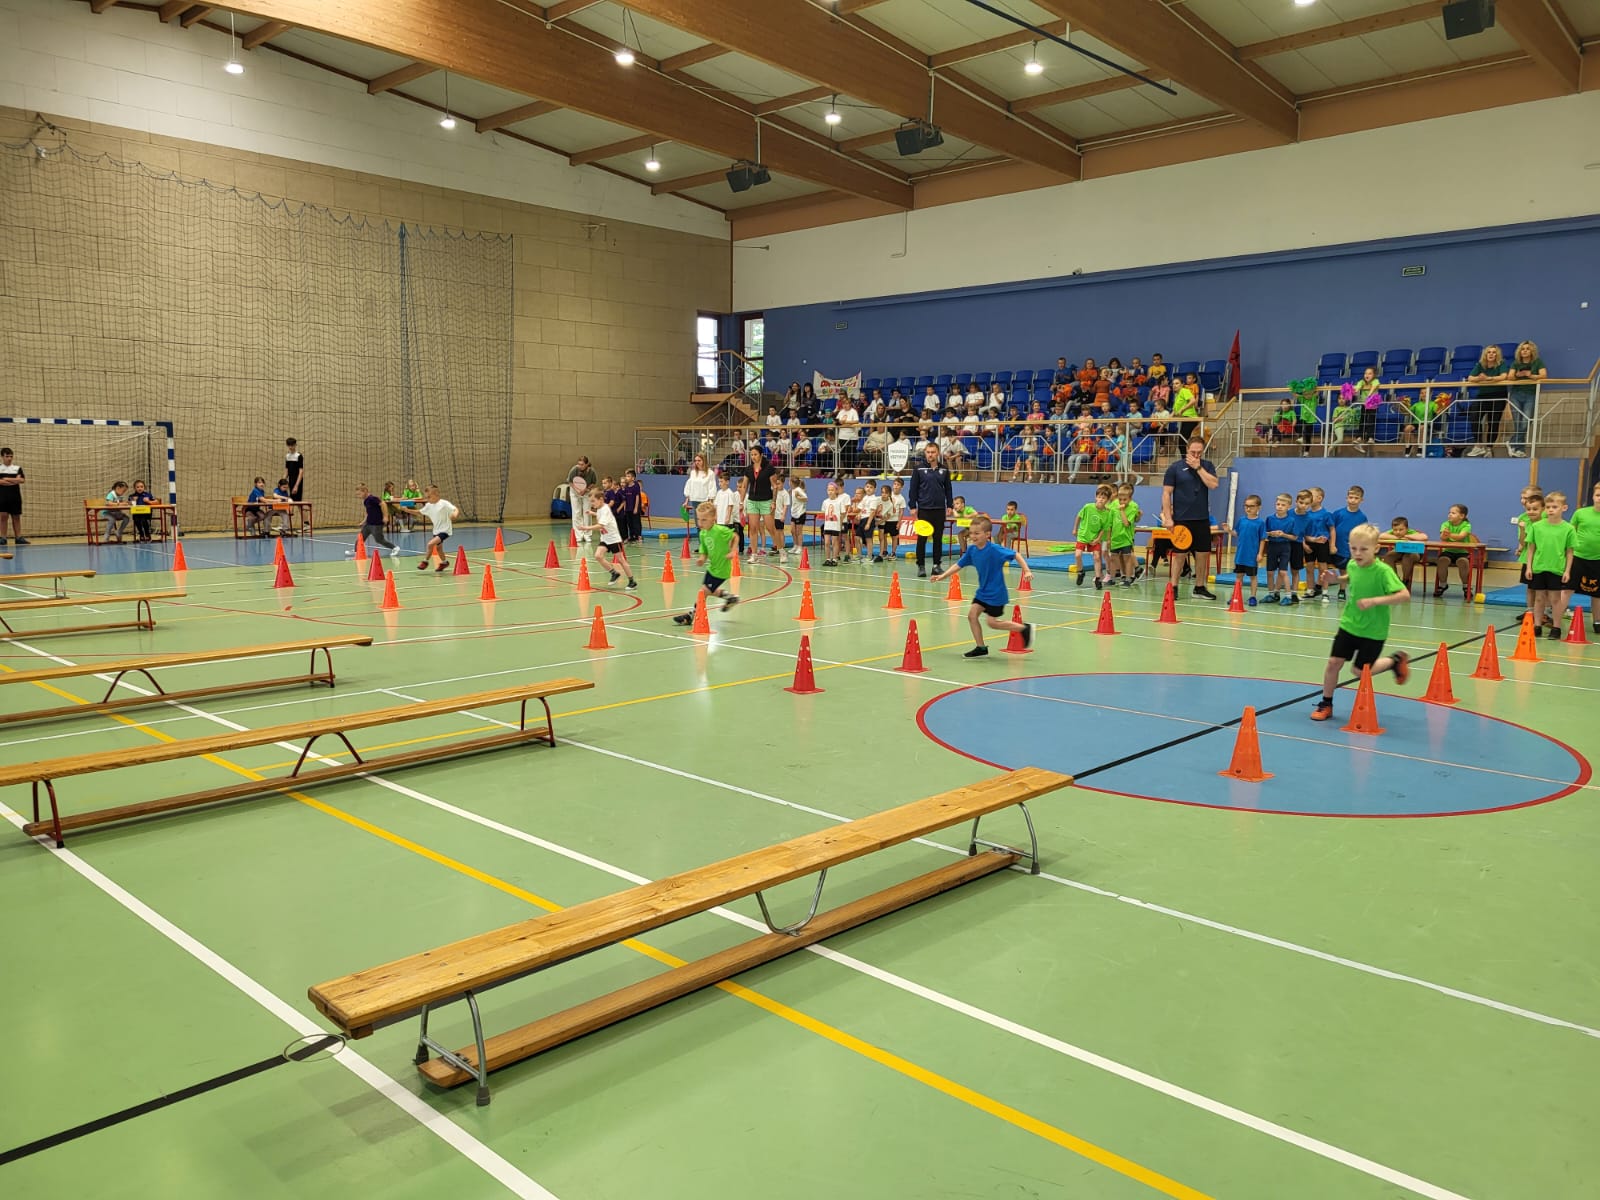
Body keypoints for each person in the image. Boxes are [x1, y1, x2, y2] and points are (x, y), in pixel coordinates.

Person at [1309, 524, 1412, 722]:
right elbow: (1352, 577)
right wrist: (1336, 579)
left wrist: (1375, 601)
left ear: (1376, 548)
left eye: (1364, 549)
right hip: (1349, 624)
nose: (1357, 553)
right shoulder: (1352, 564)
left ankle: (1394, 661)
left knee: (1359, 671)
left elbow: (1404, 595)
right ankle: (1326, 703)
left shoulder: (1383, 571)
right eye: (1353, 548)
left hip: (1373, 630)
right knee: (1333, 663)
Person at [931, 516, 1033, 659]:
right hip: (983, 592)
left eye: (977, 533)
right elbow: (958, 565)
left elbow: (1016, 554)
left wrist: (1027, 571)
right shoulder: (972, 550)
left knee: (992, 623)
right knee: (972, 615)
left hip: (996, 594)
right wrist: (942, 576)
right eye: (971, 533)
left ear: (987, 534)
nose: (973, 536)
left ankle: (1023, 628)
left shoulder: (994, 550)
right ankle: (981, 647)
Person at [1161, 436, 1219, 599]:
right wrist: (1168, 518)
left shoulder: (1207, 466)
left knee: (1202, 554)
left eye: (1199, 452)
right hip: (1182, 519)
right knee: (1180, 554)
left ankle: (1199, 587)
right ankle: (1173, 586)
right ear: (1187, 450)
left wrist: (1198, 467)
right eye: (1193, 452)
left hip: (1201, 518)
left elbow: (1213, 484)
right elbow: (1166, 494)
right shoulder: (1175, 468)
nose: (1196, 455)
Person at [674, 501, 738, 623]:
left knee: (703, 591)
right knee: (708, 591)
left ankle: (691, 615)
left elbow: (735, 536)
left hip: (722, 569)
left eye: (704, 520)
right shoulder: (703, 533)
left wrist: (733, 551)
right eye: (699, 519)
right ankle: (730, 598)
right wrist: (702, 559)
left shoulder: (720, 530)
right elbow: (704, 550)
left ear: (713, 518)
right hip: (712, 568)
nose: (700, 523)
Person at [1525, 490, 1575, 639]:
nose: (1550, 510)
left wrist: (1567, 571)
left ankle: (1556, 627)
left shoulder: (1568, 528)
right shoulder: (1537, 527)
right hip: (1539, 568)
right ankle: (1537, 625)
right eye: (1548, 507)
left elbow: (1569, 552)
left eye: (1554, 507)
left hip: (1556, 568)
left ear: (1564, 508)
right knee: (1539, 598)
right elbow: (1531, 548)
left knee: (1555, 599)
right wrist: (1529, 567)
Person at [582, 485, 639, 590]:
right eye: (591, 502)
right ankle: (614, 573)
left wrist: (586, 527)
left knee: (621, 560)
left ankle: (632, 581)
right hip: (605, 538)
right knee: (598, 556)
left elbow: (600, 525)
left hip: (613, 539)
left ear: (600, 499)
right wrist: (592, 513)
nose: (592, 504)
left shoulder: (606, 509)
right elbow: (600, 515)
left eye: (593, 501)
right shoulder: (600, 508)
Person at [908, 443, 953, 578]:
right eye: (928, 452)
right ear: (925, 453)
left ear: (937, 453)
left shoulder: (944, 469)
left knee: (937, 539)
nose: (930, 454)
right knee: (922, 539)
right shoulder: (918, 469)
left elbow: (948, 489)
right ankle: (921, 566)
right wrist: (912, 506)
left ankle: (936, 566)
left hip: (939, 510)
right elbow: (913, 489)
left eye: (933, 452)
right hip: (924, 509)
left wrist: (949, 505)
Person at [1464, 346, 1510, 458]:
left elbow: (1504, 376)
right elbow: (1470, 377)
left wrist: (1488, 378)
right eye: (1489, 352)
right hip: (1483, 395)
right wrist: (1479, 379)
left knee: (1493, 422)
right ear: (1485, 354)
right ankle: (1478, 445)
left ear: (1497, 355)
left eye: (1494, 352)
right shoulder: (1480, 365)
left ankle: (1489, 448)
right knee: (1474, 415)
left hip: (1498, 395)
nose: (1491, 354)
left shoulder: (1501, 364)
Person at [1569, 480, 1600, 636]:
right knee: (1566, 589)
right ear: (1593, 496)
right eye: (1598, 495)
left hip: (1598, 559)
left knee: (1597, 593)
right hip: (1578, 557)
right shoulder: (1580, 513)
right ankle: (1556, 621)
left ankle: (1597, 621)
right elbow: (1570, 533)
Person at [1506, 340, 1547, 457]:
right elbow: (1510, 376)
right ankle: (1520, 449)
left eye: (1527, 349)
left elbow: (1544, 375)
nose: (1525, 351)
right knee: (1518, 422)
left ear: (1532, 351)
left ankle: (1512, 442)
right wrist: (1517, 375)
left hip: (1531, 394)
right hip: (1516, 395)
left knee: (1526, 422)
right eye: (1523, 349)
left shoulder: (1537, 362)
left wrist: (1531, 375)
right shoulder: (1516, 363)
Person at [1329, 485, 1369, 602]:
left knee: (1351, 570)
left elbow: (1363, 534)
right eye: (1351, 497)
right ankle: (1325, 590)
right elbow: (1331, 529)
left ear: (1361, 500)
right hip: (1337, 547)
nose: (1353, 500)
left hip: (1352, 549)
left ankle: (1346, 591)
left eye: (1356, 498)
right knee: (1341, 569)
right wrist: (1332, 544)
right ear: (1347, 498)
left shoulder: (1362, 517)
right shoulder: (1338, 513)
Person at [1513, 485, 1546, 621]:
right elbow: (1523, 540)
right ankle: (1530, 611)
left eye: (1527, 498)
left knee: (1545, 588)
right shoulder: (1523, 517)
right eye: (1522, 498)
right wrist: (1520, 546)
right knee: (1530, 586)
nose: (1524, 500)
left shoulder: (1546, 516)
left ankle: (1545, 612)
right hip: (1529, 557)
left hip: (1544, 557)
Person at [1072, 485, 1112, 588]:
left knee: (1097, 557)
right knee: (1077, 555)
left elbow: (1104, 528)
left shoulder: (1107, 513)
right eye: (1099, 497)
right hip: (1083, 535)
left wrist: (1098, 539)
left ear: (1107, 500)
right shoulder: (1088, 507)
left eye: (1103, 498)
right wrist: (1075, 529)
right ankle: (1081, 572)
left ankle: (1098, 578)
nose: (1101, 500)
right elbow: (1079, 516)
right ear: (1096, 497)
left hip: (1094, 537)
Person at [745, 446, 779, 559]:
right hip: (752, 501)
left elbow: (775, 486)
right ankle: (754, 554)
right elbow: (744, 486)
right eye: (751, 455)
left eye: (755, 454)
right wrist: (741, 502)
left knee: (770, 528)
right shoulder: (748, 469)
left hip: (766, 501)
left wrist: (773, 502)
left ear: (761, 455)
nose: (753, 457)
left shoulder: (769, 468)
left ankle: (781, 550)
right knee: (753, 528)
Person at [1262, 493, 1297, 606]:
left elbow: (1294, 537)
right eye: (1278, 504)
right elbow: (1264, 533)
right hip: (1272, 546)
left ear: (1288, 506)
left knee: (1283, 572)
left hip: (1284, 547)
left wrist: (1283, 534)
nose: (1280, 507)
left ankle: (1288, 596)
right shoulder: (1270, 518)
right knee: (1270, 572)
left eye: (1283, 505)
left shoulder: (1291, 520)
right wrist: (1270, 533)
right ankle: (1271, 594)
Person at [1232, 493, 1266, 606]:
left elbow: (1262, 539)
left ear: (1258, 507)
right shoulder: (1241, 520)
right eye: (1246, 506)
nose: (1248, 508)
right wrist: (1228, 530)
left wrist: (1260, 554)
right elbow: (1236, 533)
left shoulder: (1260, 523)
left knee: (1253, 577)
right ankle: (1236, 595)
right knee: (1239, 576)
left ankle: (1253, 597)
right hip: (1240, 555)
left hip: (1251, 555)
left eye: (1251, 506)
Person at [1435, 503, 1475, 601]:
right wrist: (1444, 535)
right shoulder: (1445, 524)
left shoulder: (1466, 525)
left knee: (1463, 562)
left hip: (1463, 552)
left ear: (1462, 516)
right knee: (1442, 560)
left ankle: (1466, 586)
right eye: (1449, 512)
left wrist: (1449, 534)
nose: (1450, 514)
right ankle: (1443, 584)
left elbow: (1461, 536)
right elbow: (1443, 538)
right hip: (1448, 551)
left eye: (1453, 513)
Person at [416, 484, 458, 573]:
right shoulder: (429, 505)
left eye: (429, 497)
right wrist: (407, 510)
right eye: (426, 497)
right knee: (439, 549)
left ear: (436, 494)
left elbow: (455, 509)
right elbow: (419, 512)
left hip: (445, 530)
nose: (427, 499)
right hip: (436, 531)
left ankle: (425, 562)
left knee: (430, 544)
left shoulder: (444, 503)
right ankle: (444, 563)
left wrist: (455, 514)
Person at [1303, 486, 1335, 600]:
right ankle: (1310, 590)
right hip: (1309, 543)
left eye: (1311, 496)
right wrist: (1304, 544)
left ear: (1319, 498)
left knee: (1323, 568)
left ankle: (1325, 592)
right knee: (1309, 568)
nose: (1308, 498)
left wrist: (1332, 545)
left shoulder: (1326, 514)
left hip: (1322, 544)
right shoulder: (1305, 515)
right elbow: (1302, 532)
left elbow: (1332, 529)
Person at [350, 485, 397, 556]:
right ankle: (356, 551)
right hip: (368, 524)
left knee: (379, 540)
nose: (359, 496)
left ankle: (395, 548)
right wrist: (364, 521)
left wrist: (385, 516)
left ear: (365, 491)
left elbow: (383, 504)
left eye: (359, 494)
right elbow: (368, 512)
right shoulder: (365, 501)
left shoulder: (372, 498)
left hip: (376, 524)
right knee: (361, 537)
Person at [1378, 517, 1422, 592]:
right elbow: (1381, 536)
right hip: (1399, 552)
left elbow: (1424, 537)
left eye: (1401, 530)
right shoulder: (1393, 533)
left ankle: (1405, 580)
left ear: (1407, 529)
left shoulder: (1411, 532)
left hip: (1413, 554)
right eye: (1395, 530)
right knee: (1388, 556)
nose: (1398, 532)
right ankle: (1395, 580)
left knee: (1407, 557)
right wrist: (1398, 538)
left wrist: (1407, 536)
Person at [0, 447, 27, 545]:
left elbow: (21, 480)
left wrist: (6, 479)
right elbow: (0, 482)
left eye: (11, 456)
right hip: (2, 496)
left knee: (16, 516)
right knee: (3, 517)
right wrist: (14, 480)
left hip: (15, 496)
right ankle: (3, 538)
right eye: (7, 456)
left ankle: (18, 537)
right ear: (2, 456)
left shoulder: (17, 468)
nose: (9, 458)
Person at [568, 456, 597, 544]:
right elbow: (570, 481)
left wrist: (586, 489)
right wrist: (577, 490)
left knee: (587, 512)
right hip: (575, 492)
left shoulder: (592, 472)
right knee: (576, 513)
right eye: (579, 464)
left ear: (586, 464)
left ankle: (587, 535)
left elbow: (593, 483)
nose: (580, 466)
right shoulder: (574, 469)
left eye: (582, 464)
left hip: (586, 492)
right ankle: (578, 535)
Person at [1352, 367, 1382, 451]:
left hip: (1372, 404)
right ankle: (1359, 437)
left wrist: (1369, 395)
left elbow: (1375, 386)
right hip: (1364, 404)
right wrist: (1356, 390)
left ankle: (1370, 437)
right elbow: (1358, 386)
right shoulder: (1362, 382)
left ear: (1374, 375)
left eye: (1369, 373)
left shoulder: (1375, 381)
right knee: (1362, 420)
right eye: (1365, 373)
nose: (1367, 375)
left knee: (1371, 420)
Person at [820, 480, 846, 567]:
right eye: (829, 490)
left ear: (836, 491)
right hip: (827, 525)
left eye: (832, 490)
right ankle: (828, 559)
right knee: (827, 542)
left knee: (835, 542)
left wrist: (840, 523)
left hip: (835, 526)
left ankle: (834, 559)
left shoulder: (839, 501)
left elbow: (843, 513)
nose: (830, 492)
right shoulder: (825, 502)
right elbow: (824, 512)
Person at [786, 475, 809, 554]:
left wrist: (798, 497)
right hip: (794, 513)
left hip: (800, 513)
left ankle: (800, 547)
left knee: (799, 532)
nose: (788, 483)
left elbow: (806, 498)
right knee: (792, 531)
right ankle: (795, 545)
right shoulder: (793, 490)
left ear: (792, 483)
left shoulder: (798, 490)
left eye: (789, 481)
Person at [283, 437, 305, 501]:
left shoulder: (299, 456)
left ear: (295, 445)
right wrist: (282, 481)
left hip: (297, 480)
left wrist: (296, 485)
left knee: (297, 500)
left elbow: (301, 472)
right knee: (291, 499)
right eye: (289, 445)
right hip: (290, 480)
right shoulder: (287, 456)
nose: (290, 447)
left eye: (292, 445)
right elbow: (286, 471)